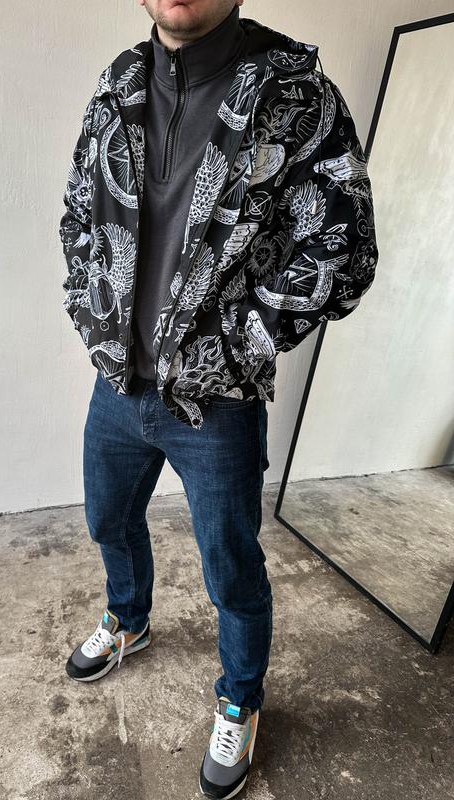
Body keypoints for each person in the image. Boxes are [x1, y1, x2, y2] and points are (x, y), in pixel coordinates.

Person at [59, 1, 379, 797]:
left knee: (231, 568)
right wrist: (92, 312)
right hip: (119, 384)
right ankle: (128, 616)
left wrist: (238, 347)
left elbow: (342, 247)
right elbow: (78, 214)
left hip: (219, 404)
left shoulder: (296, 95)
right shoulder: (118, 84)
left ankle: (240, 697)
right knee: (107, 519)